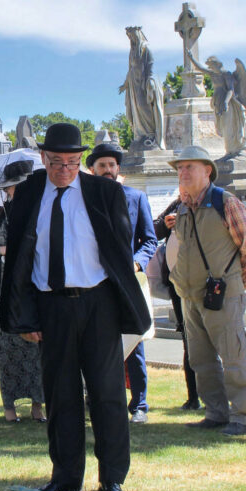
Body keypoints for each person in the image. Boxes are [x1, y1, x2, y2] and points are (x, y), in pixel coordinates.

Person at [1, 123, 150, 491]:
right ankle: (65, 477)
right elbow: (20, 257)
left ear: (80, 160)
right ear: (42, 158)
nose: (63, 169)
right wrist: (26, 315)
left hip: (98, 304)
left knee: (108, 395)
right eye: (55, 162)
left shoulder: (104, 192)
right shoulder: (30, 193)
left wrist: (121, 307)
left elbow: (118, 253)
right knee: (60, 396)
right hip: (51, 307)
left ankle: (112, 479)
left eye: (71, 162)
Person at [167, 146, 246, 437]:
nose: (183, 173)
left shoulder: (224, 202)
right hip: (190, 295)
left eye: (189, 167)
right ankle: (216, 413)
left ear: (207, 170)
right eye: (180, 168)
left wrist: (235, 283)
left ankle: (242, 417)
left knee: (232, 357)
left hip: (223, 294)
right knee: (201, 359)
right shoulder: (182, 206)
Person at [87, 143, 157, 424]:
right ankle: (96, 399)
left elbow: (150, 239)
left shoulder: (136, 197)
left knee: (134, 344)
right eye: (102, 165)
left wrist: (136, 262)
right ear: (93, 169)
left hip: (128, 282)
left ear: (118, 169)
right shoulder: (84, 199)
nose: (107, 170)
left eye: (112, 165)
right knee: (96, 346)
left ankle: (139, 404)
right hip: (95, 282)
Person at [0, 160, 46, 423]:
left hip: (32, 286)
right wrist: (10, 248)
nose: (14, 192)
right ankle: (9, 407)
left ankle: (38, 405)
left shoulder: (40, 211)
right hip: (3, 287)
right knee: (6, 349)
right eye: (12, 188)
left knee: (35, 349)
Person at [154, 198, 201, 410]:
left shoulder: (216, 202)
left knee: (213, 339)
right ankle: (193, 397)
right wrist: (165, 224)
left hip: (207, 283)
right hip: (178, 284)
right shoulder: (177, 204)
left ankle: (216, 396)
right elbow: (153, 230)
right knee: (188, 339)